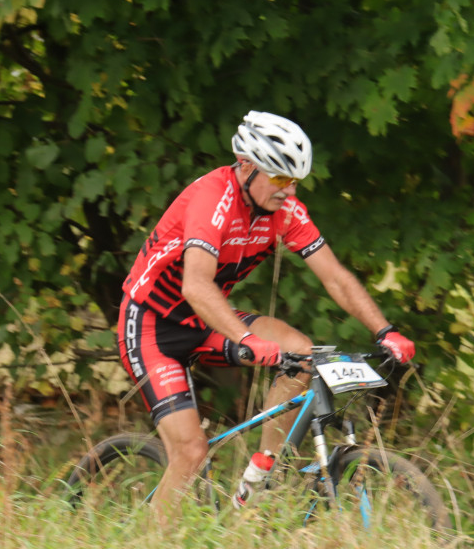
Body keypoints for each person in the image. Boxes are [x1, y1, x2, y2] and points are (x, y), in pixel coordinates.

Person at [116, 111, 414, 516]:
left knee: (302, 352)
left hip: (202, 321)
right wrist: (247, 339)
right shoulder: (212, 200)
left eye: (295, 181)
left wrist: (385, 330)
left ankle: (261, 476)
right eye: (279, 178)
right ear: (246, 166)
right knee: (190, 451)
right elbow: (196, 286)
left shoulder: (284, 211)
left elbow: (336, 278)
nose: (289, 191)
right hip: (153, 328)